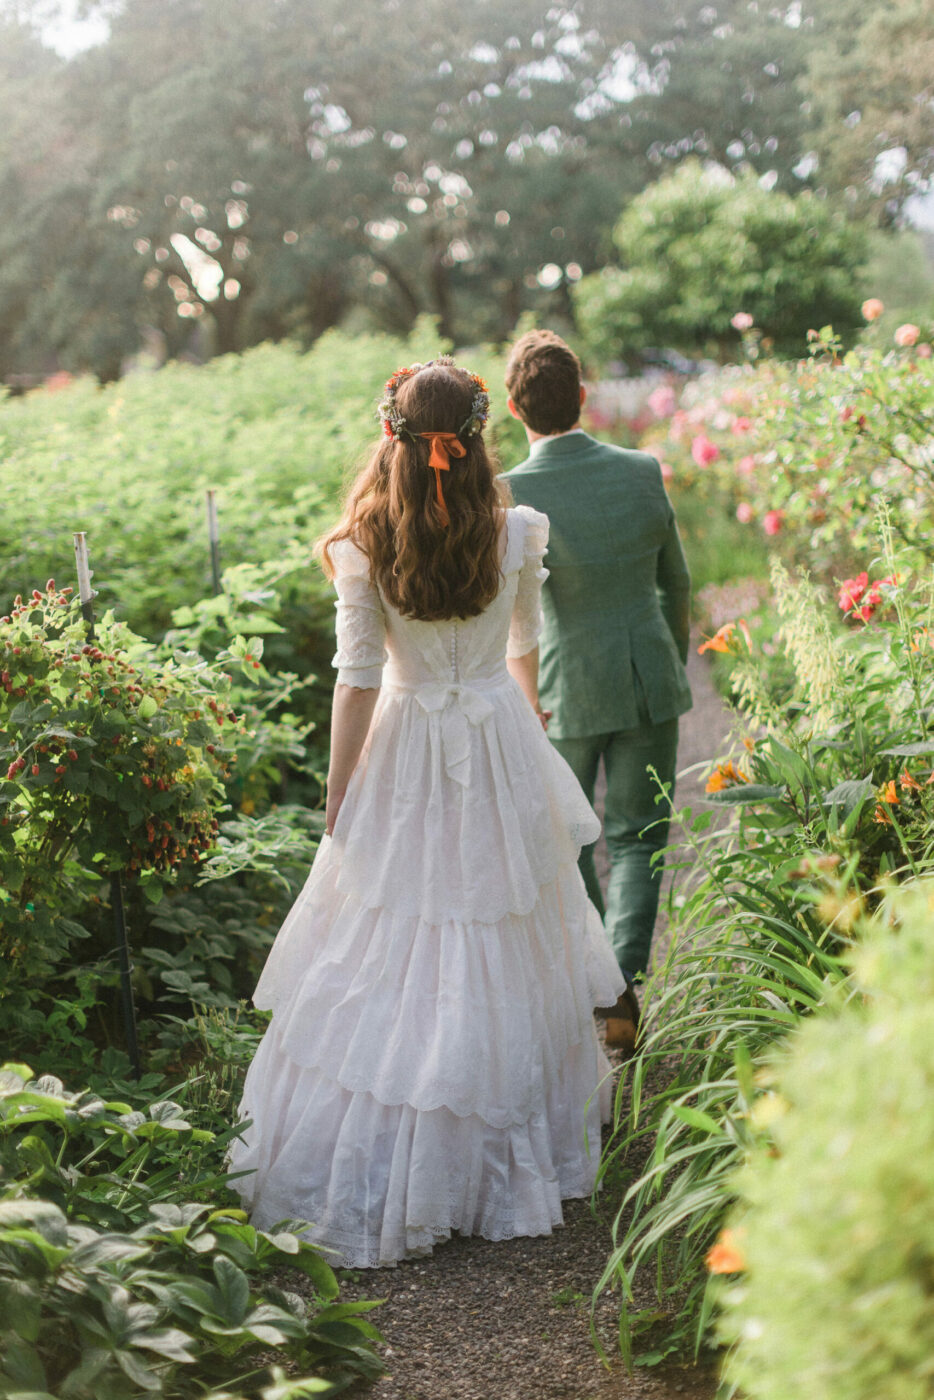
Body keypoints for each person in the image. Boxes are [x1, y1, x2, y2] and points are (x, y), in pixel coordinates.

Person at [228, 356, 625, 1268]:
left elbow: (358, 678)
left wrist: (342, 793)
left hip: (406, 742)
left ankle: (404, 1151)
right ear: (480, 435)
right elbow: (525, 643)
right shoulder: (518, 528)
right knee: (506, 925)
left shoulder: (361, 542)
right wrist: (524, 719)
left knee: (392, 931)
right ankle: (496, 1155)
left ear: (392, 435)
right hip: (494, 735)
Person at [504, 330, 692, 1052]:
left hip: (561, 689)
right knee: (641, 838)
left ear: (517, 408)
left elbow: (510, 607)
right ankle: (623, 989)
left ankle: (605, 985)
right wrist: (667, 659)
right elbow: (674, 581)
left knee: (572, 841)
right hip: (649, 677)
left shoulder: (512, 492)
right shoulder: (643, 469)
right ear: (582, 397)